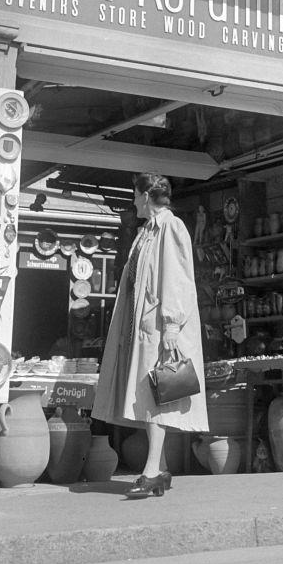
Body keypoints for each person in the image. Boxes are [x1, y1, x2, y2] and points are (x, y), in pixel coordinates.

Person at [93, 173, 208, 497]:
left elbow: (177, 278)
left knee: (154, 395)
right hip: (142, 327)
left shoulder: (170, 227)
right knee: (150, 395)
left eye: (134, 194)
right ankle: (163, 466)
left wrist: (171, 325)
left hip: (158, 327)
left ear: (145, 196)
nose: (132, 201)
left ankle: (152, 470)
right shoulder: (147, 231)